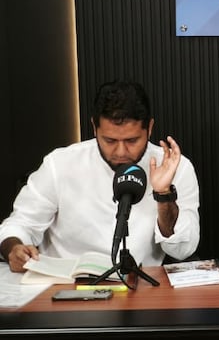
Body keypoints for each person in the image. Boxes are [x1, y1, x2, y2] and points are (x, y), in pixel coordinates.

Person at [0, 80, 200, 272]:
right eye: (110, 140)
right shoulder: (60, 164)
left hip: (139, 285)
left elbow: (182, 250)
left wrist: (164, 195)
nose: (121, 152)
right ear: (94, 128)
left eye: (132, 140)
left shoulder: (175, 167)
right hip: (65, 284)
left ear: (149, 129)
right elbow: (19, 225)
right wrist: (14, 249)